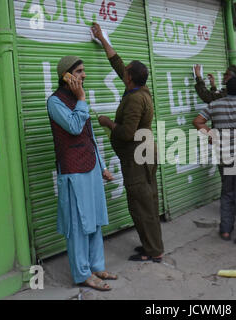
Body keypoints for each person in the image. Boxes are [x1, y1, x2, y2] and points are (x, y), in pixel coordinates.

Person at [91, 23, 164, 262]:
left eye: (126, 72)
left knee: (141, 203)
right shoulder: (139, 90)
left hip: (137, 155)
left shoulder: (134, 100)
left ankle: (153, 251)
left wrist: (108, 123)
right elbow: (118, 63)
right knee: (147, 200)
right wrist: (102, 38)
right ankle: (152, 245)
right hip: (145, 152)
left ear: (130, 78)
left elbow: (127, 132)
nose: (124, 72)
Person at [47, 55, 117, 291]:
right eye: (78, 71)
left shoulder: (79, 100)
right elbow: (75, 127)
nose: (83, 75)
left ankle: (97, 266)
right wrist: (81, 100)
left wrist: (103, 166)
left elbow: (90, 138)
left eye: (83, 71)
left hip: (90, 168)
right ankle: (82, 274)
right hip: (73, 171)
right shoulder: (55, 102)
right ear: (66, 76)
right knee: (78, 224)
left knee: (95, 219)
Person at [193, 76, 236, 245]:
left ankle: (225, 231)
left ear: (226, 89)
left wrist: (211, 135)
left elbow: (198, 121)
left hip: (225, 158)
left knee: (227, 193)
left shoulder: (215, 105)